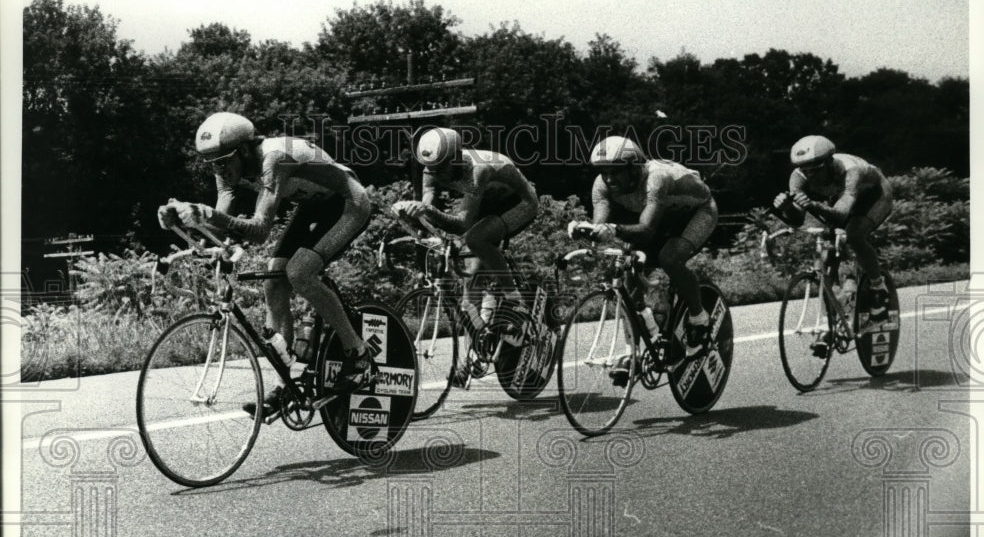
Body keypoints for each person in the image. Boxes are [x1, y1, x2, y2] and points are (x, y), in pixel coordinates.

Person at [157, 112, 375, 418]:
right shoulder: (226, 166)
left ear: (245, 151)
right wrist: (183, 219)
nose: (220, 169)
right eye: (212, 164)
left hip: (349, 202)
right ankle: (285, 383)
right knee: (273, 280)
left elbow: (260, 230)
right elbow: (219, 224)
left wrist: (207, 215)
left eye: (224, 161)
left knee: (299, 272)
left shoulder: (274, 158)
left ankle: (359, 355)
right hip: (312, 206)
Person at [394, 127, 540, 385]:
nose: (436, 174)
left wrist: (427, 210)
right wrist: (413, 213)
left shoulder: (477, 170)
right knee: (468, 289)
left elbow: (462, 223)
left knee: (475, 238)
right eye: (432, 169)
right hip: (484, 204)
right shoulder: (431, 167)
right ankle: (471, 359)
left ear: (456, 158)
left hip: (519, 203)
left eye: (441, 168)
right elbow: (428, 203)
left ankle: (515, 301)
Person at [570, 135, 719, 367]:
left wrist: (614, 229)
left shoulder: (656, 178)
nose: (609, 178)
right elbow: (601, 223)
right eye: (604, 172)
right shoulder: (601, 184)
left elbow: (647, 230)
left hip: (697, 213)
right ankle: (634, 351)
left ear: (634, 168)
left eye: (616, 171)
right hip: (661, 217)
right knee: (627, 274)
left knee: (670, 258)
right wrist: (586, 230)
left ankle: (699, 319)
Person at [773, 135, 894, 321]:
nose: (810, 175)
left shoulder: (851, 171)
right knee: (827, 249)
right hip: (840, 198)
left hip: (874, 196)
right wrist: (787, 207)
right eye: (805, 170)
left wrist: (812, 205)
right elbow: (797, 220)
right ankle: (836, 306)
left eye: (816, 169)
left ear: (829, 162)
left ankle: (879, 287)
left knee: (854, 235)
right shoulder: (798, 177)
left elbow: (841, 215)